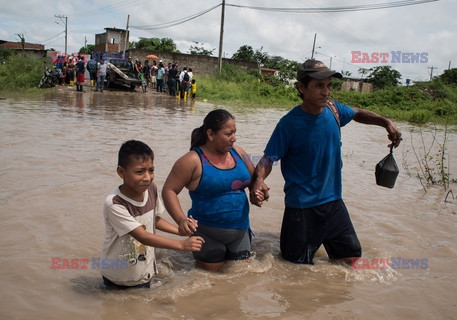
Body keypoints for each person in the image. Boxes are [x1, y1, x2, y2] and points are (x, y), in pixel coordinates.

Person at [250, 59, 403, 265]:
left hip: (333, 203)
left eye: (329, 85)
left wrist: (386, 122)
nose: (326, 91)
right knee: (293, 268)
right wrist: (258, 181)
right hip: (301, 209)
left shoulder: (334, 110)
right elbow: (269, 158)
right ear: (301, 88)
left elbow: (357, 113)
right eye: (319, 85)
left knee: (352, 260)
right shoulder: (289, 124)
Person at [162, 109, 261, 272]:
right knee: (209, 284)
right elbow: (169, 191)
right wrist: (181, 220)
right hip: (207, 235)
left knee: (240, 283)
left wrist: (257, 192)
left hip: (240, 232)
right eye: (229, 134)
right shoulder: (192, 160)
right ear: (211, 134)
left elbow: (254, 179)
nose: (234, 138)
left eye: (235, 133)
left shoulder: (239, 153)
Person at [101, 140, 204, 289]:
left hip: (144, 270)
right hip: (119, 276)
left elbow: (153, 219)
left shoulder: (151, 190)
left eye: (151, 170)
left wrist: (180, 231)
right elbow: (142, 236)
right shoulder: (115, 203)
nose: (147, 177)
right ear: (121, 172)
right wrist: (181, 245)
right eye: (139, 172)